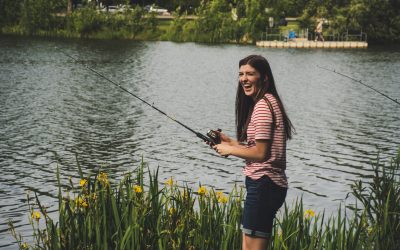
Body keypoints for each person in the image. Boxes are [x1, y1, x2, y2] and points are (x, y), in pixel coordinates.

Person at [212, 55, 294, 250]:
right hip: (268, 184)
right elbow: (259, 148)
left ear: (264, 77)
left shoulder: (262, 107)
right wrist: (231, 142)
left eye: (250, 74)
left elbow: (261, 154)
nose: (244, 79)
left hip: (263, 184)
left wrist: (230, 150)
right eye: (241, 74)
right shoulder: (269, 101)